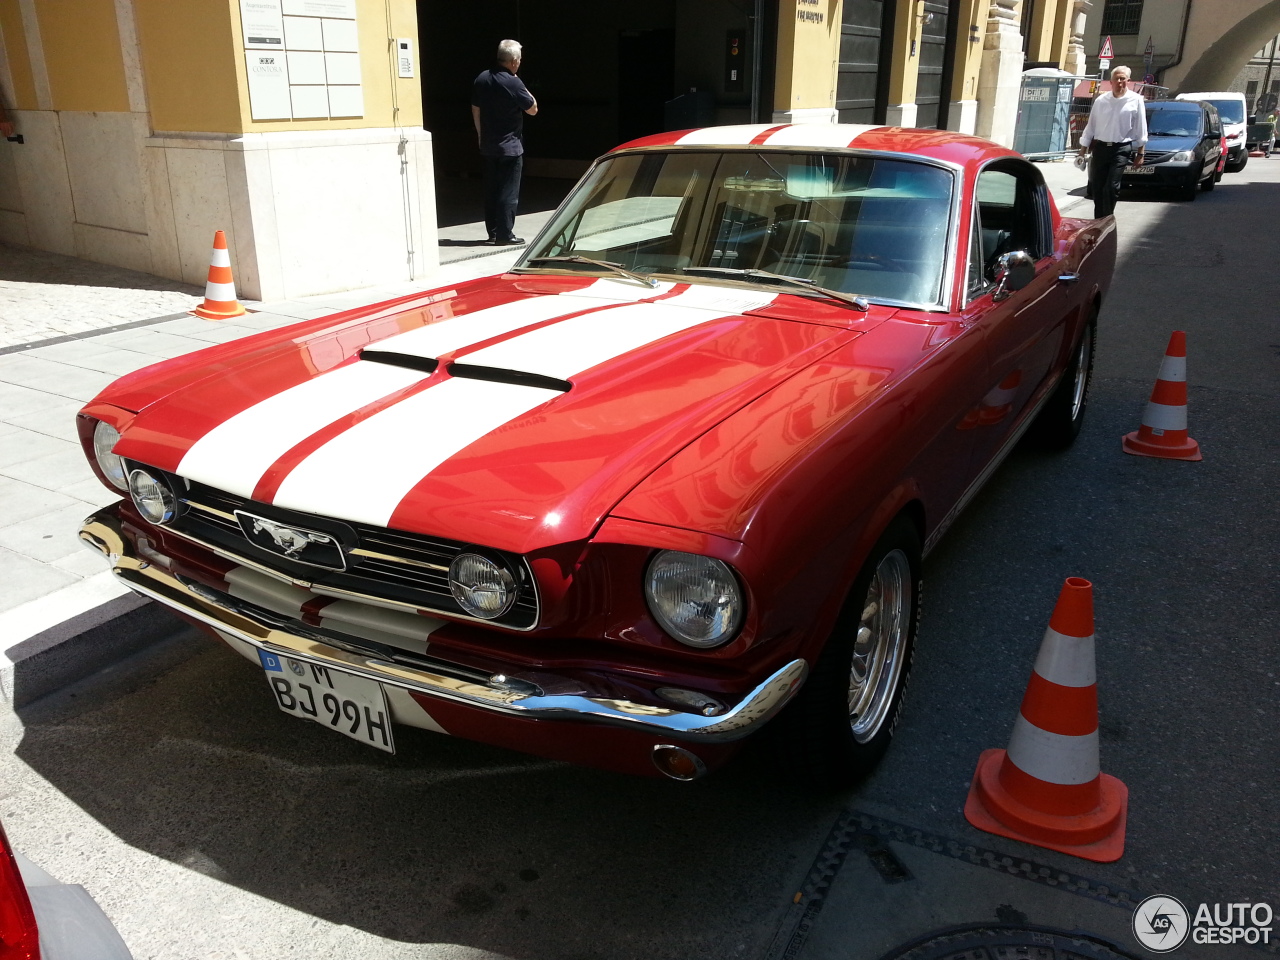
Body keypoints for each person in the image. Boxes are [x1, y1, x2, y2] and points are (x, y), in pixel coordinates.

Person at [471, 39, 538, 245]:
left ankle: (492, 232)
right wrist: (521, 84)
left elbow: (475, 109)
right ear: (514, 61)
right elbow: (533, 109)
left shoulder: (481, 79)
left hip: (488, 145)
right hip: (510, 147)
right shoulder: (513, 82)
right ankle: (505, 234)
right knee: (508, 192)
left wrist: (481, 135)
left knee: (491, 190)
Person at [1078, 66, 1147, 219]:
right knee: (1097, 187)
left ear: (1128, 81)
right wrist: (1082, 151)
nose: (1119, 82)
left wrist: (1141, 153)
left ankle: (1107, 219)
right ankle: (1098, 220)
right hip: (1101, 148)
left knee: (1111, 186)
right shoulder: (1101, 101)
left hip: (1121, 149)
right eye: (1117, 78)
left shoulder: (1135, 100)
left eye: (1123, 78)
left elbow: (1141, 128)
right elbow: (1091, 127)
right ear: (1111, 81)